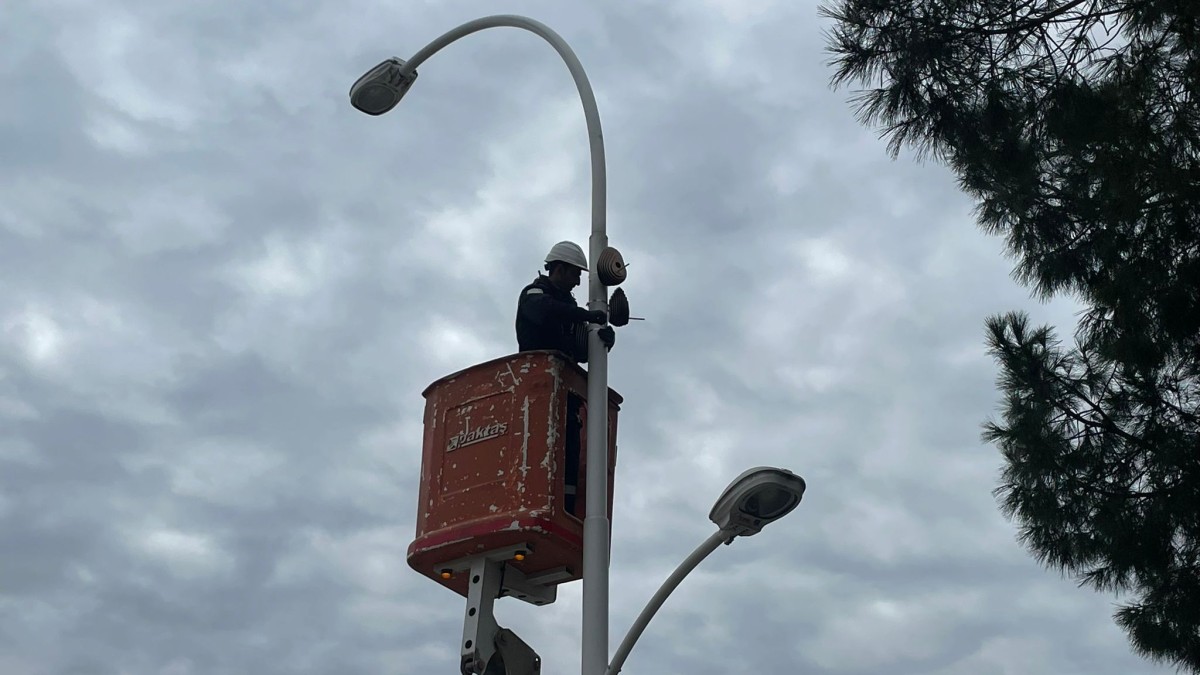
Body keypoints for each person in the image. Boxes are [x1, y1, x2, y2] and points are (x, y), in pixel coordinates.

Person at [515, 241, 615, 362]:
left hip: (562, 375)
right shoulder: (532, 295)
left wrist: (601, 342)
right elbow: (548, 309)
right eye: (575, 274)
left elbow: (578, 353)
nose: (578, 282)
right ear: (560, 270)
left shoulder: (569, 310)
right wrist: (586, 315)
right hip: (534, 373)